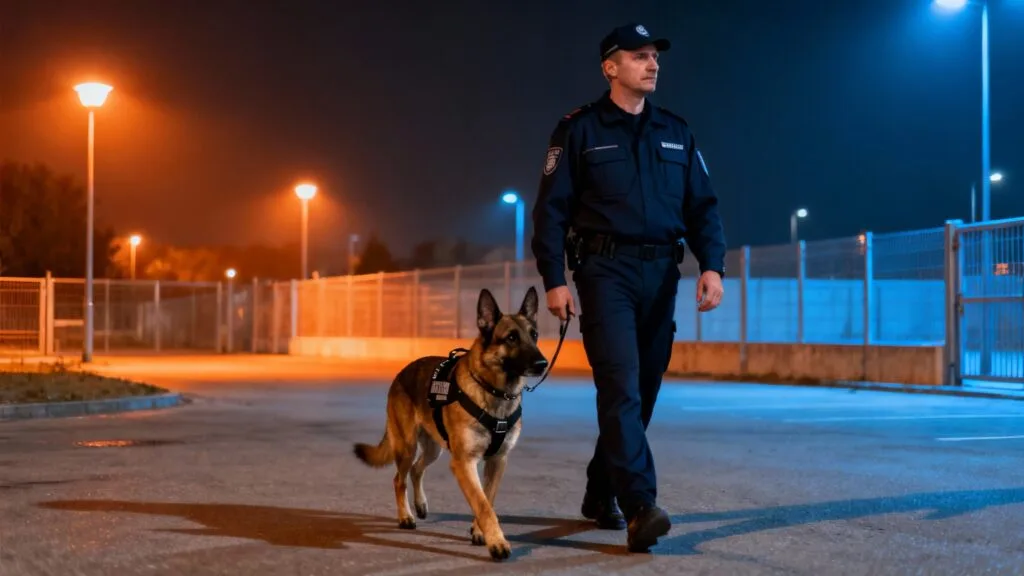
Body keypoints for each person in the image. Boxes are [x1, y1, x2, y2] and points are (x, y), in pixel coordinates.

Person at [530, 22, 727, 553]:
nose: (652, 63)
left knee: (641, 395)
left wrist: (712, 265)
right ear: (610, 67)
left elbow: (702, 205)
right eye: (639, 56)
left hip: (662, 275)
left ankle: (601, 493)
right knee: (619, 386)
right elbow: (549, 212)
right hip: (604, 272)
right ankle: (642, 505)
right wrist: (554, 279)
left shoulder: (676, 131)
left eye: (654, 56)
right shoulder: (580, 131)